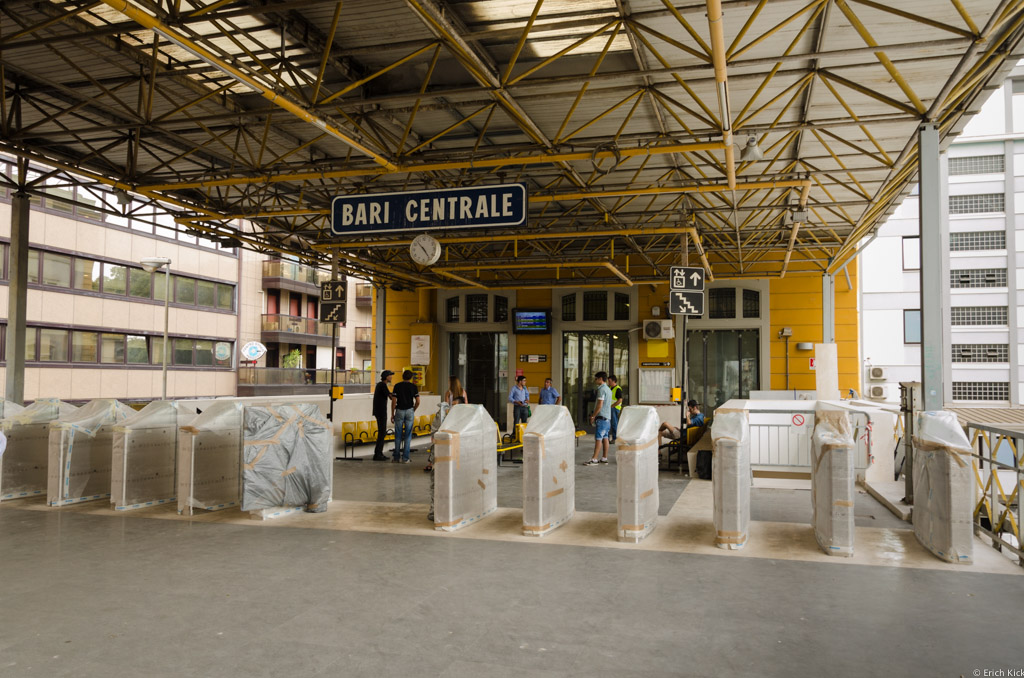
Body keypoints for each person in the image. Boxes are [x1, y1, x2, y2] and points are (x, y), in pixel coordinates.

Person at [583, 371, 612, 466]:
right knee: (605, 437)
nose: (595, 380)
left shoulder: (601, 390)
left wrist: (593, 416)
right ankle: (604, 458)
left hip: (602, 417)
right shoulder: (608, 389)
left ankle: (594, 459)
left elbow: (599, 405)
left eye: (596, 379)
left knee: (598, 438)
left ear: (600, 379)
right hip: (607, 417)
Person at [391, 370, 420, 463]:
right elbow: (418, 401)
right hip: (409, 411)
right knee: (408, 435)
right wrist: (413, 410)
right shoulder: (414, 387)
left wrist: (392, 414)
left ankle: (396, 458)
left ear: (402, 376)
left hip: (399, 410)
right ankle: (405, 458)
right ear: (411, 377)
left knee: (398, 435)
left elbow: (394, 401)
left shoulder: (397, 386)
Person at [371, 370, 396, 461]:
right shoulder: (382, 385)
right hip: (381, 412)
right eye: (390, 375)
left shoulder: (380, 385)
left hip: (379, 411)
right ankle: (378, 454)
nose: (391, 377)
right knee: (382, 433)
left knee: (382, 433)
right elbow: (390, 396)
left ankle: (378, 453)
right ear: (386, 376)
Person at [608, 375, 623, 443]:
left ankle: (615, 438)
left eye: (610, 381)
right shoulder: (610, 388)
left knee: (614, 423)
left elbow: (620, 400)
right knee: (609, 423)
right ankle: (607, 438)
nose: (608, 382)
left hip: (614, 408)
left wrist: (612, 406)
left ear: (614, 381)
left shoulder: (618, 389)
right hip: (610, 408)